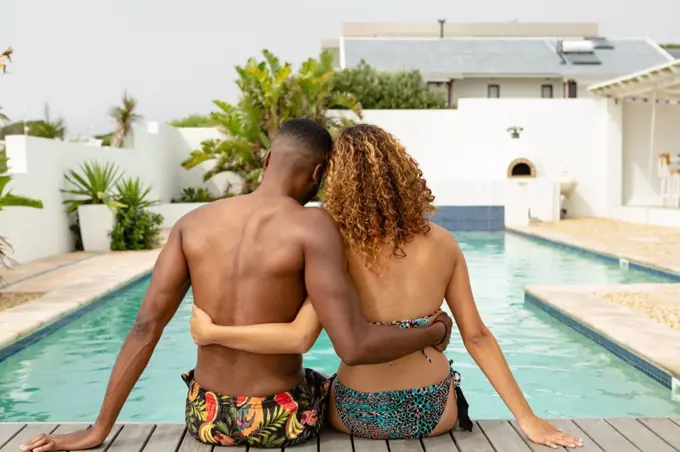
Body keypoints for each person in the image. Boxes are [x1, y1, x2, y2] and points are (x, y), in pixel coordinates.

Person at [20, 119, 454, 452]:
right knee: (337, 387)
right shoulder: (312, 226)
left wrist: (99, 429)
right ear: (319, 173)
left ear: (267, 160)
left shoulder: (193, 223)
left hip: (207, 417)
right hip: (280, 420)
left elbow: (145, 327)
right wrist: (433, 333)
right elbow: (354, 345)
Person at [188, 124, 584, 448]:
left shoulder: (331, 244)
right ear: (402, 173)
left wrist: (214, 333)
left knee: (312, 382)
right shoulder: (443, 243)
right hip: (433, 412)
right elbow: (477, 337)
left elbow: (299, 336)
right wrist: (528, 419)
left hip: (354, 414)